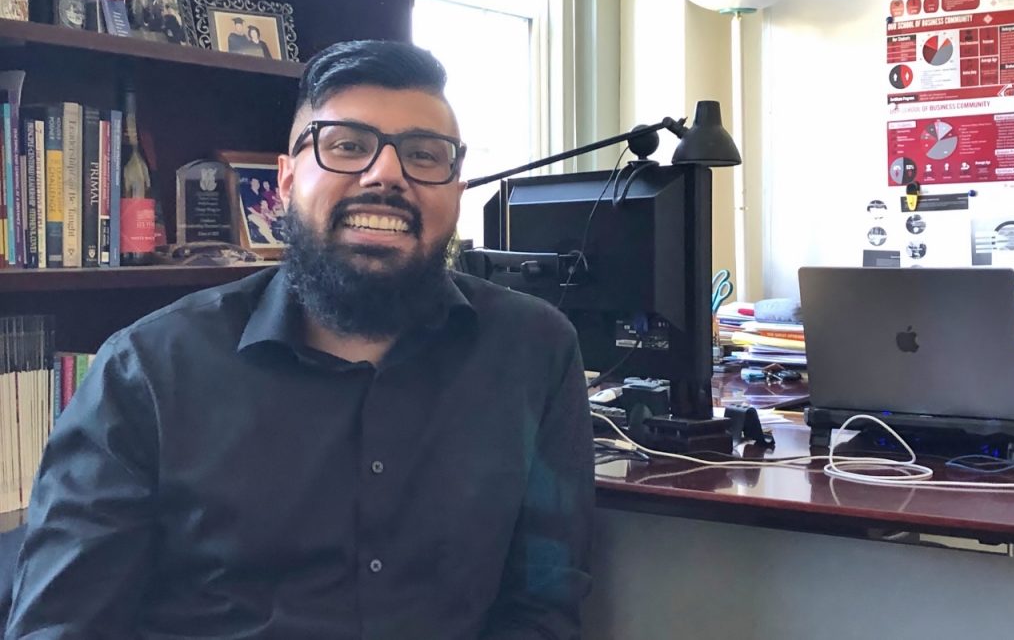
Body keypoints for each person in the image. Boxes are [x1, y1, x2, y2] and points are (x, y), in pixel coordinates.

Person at [6, 39, 594, 639]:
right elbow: (62, 625)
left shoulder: (534, 351)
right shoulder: (148, 371)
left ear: (457, 192)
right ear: (284, 181)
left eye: (424, 155)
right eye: (347, 146)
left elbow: (544, 600)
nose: (386, 174)